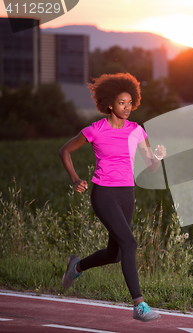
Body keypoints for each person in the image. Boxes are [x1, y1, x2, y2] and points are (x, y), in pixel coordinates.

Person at [59, 73, 166, 322]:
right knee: (130, 244)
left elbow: (150, 167)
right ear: (109, 104)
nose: (127, 108)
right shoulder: (95, 130)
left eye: (130, 103)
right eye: (121, 103)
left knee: (115, 253)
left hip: (127, 193)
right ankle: (139, 305)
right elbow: (64, 150)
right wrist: (75, 179)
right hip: (104, 193)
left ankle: (76, 267)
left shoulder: (137, 131)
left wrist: (158, 157)